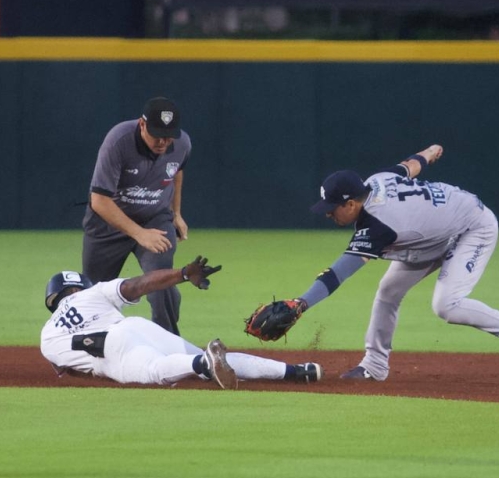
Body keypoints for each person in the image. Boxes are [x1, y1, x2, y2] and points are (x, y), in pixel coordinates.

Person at [295, 144, 499, 381]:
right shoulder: (376, 181)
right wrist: (427, 153)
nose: (328, 213)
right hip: (434, 234)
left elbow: (339, 273)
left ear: (351, 203)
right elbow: (409, 166)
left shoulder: (378, 226)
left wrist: (300, 304)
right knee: (388, 291)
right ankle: (374, 366)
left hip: (472, 227)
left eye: (332, 208)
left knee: (447, 305)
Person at [40, 257, 322, 389]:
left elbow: (69, 367)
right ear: (81, 287)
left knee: (155, 371)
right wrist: (183, 274)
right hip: (136, 327)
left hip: (111, 346)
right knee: (200, 355)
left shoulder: (48, 334)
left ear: (52, 300)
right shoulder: (94, 292)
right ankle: (298, 371)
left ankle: (203, 365)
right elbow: (138, 285)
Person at [82, 97, 191, 335]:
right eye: (157, 134)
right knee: (92, 294)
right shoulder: (118, 141)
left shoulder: (182, 143)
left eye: (168, 135)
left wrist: (176, 213)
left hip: (156, 220)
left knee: (162, 282)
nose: (163, 141)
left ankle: (169, 345)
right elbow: (98, 200)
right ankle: (91, 346)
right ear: (142, 125)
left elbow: (176, 171)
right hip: (108, 224)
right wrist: (139, 233)